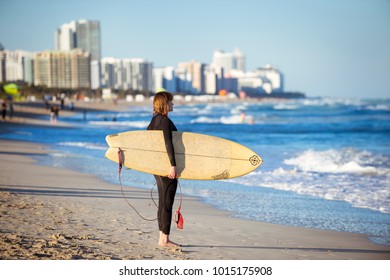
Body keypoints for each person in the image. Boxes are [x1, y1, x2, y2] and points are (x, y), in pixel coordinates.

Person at [147, 91, 179, 247]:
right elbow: (168, 143)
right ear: (164, 104)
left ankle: (162, 237)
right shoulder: (165, 121)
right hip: (167, 168)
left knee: (162, 202)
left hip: (158, 168)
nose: (173, 104)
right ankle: (165, 240)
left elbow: (148, 143)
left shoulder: (154, 121)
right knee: (167, 203)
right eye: (171, 102)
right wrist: (173, 165)